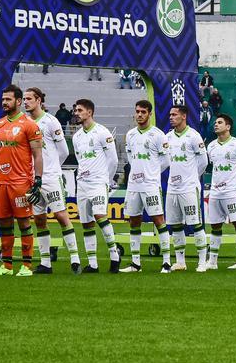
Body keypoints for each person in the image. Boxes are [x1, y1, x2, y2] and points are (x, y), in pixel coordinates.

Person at [0, 85, 43, 277]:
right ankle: (7, 266)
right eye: (3, 99)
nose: (4, 102)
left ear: (18, 101)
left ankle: (26, 266)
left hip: (21, 183)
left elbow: (38, 155)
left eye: (8, 99)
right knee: (4, 224)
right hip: (2, 183)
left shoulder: (29, 125)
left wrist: (38, 180)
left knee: (24, 223)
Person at [24, 87, 81, 273]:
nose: (25, 102)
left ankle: (75, 258)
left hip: (51, 177)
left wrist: (52, 168)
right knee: (39, 219)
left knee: (61, 215)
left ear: (39, 100)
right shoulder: (23, 122)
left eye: (29, 99)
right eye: (24, 99)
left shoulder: (51, 121)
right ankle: (46, 263)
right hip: (32, 179)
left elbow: (64, 151)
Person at [69, 98, 121, 274]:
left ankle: (114, 254)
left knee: (100, 215)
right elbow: (80, 159)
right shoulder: (76, 137)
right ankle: (93, 264)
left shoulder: (102, 132)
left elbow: (113, 159)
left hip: (99, 182)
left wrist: (107, 180)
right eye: (76, 110)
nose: (76, 113)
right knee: (86, 223)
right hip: (82, 184)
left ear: (89, 112)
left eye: (79, 110)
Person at [121, 99, 172, 273]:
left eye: (143, 112)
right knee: (134, 221)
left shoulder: (158, 135)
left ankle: (166, 262)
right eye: (137, 111)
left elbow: (166, 160)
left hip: (150, 185)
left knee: (158, 220)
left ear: (150, 114)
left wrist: (152, 172)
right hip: (133, 185)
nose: (140, 115)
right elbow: (130, 156)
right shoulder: (130, 135)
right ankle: (136, 263)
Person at [165, 104, 210, 272]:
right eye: (170, 114)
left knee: (195, 224)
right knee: (175, 225)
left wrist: (191, 177)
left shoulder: (194, 136)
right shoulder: (168, 137)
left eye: (174, 114)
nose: (171, 117)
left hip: (189, 187)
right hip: (172, 188)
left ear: (184, 116)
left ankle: (201, 262)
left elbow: (203, 162)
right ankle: (180, 261)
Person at [204, 114, 236, 270]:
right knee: (215, 225)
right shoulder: (211, 146)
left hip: (232, 191)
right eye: (215, 122)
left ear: (228, 126)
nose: (215, 125)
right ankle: (212, 262)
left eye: (219, 122)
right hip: (215, 191)